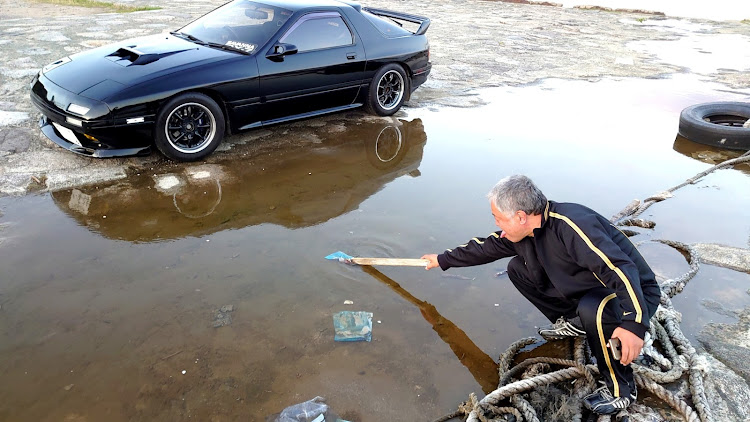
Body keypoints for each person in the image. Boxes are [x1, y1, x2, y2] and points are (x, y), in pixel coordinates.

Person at [421, 175, 661, 415]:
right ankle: (575, 322)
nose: (497, 224)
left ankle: (622, 389)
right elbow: (485, 247)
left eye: (498, 218)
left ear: (520, 216)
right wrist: (442, 260)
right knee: (518, 269)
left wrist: (634, 323)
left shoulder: (572, 225)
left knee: (593, 309)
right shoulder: (524, 232)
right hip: (591, 287)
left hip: (632, 292)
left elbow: (620, 269)